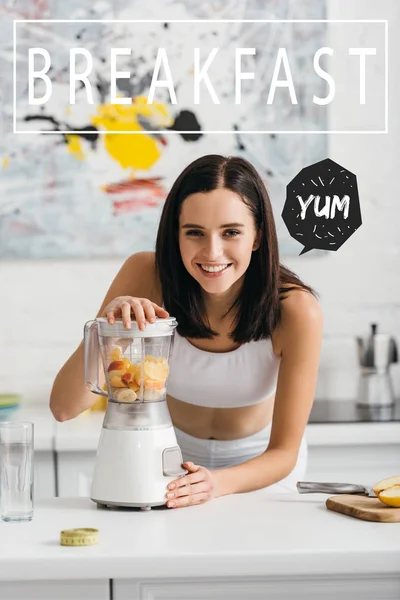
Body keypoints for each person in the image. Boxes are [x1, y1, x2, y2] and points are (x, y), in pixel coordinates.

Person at [50, 154, 323, 509]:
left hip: (260, 476)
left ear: (257, 236)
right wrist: (109, 329)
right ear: (174, 234)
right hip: (164, 468)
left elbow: (284, 453)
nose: (212, 252)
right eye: (194, 232)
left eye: (231, 233)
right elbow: (65, 408)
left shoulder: (297, 311)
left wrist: (214, 484)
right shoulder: (145, 274)